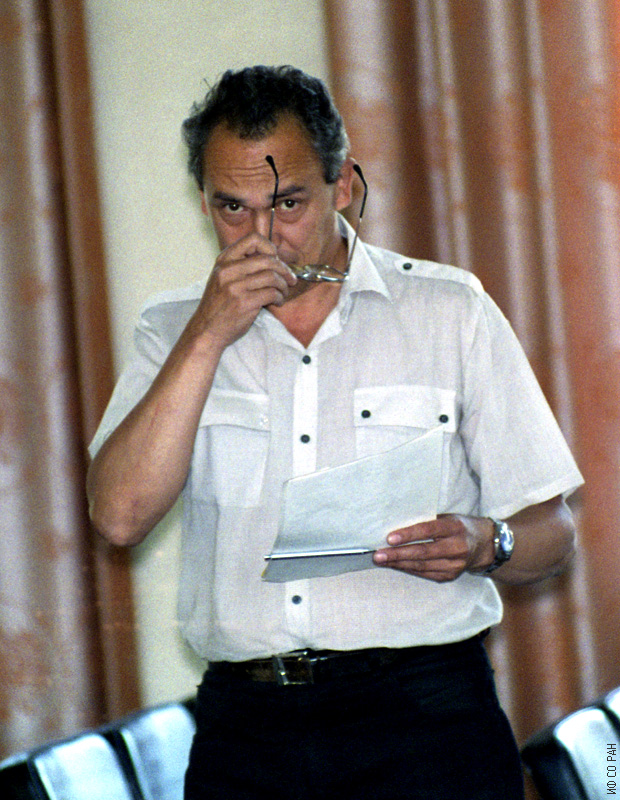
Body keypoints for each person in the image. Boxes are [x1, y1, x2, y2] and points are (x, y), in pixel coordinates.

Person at [87, 65, 583, 800]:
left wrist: (487, 543)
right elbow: (120, 517)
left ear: (343, 185)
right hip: (245, 725)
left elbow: (553, 531)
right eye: (232, 208)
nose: (261, 235)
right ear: (204, 201)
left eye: (287, 203)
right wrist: (208, 335)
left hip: (425, 713)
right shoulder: (172, 330)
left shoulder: (449, 310)